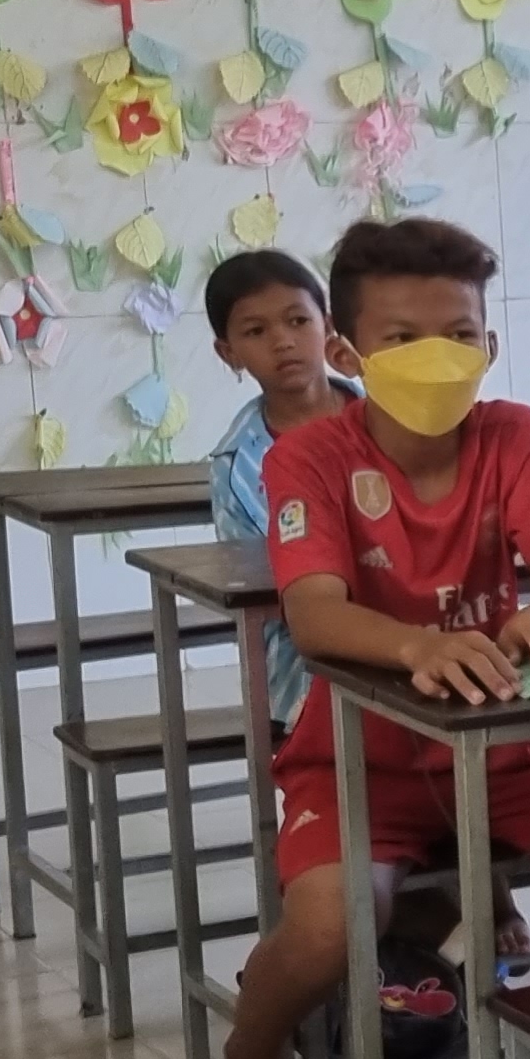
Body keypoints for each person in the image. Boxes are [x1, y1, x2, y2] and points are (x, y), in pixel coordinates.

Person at [221, 218, 530, 1059]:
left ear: (488, 344)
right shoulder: (313, 458)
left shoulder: (515, 435)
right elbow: (315, 612)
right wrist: (420, 643)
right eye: (403, 337)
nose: (434, 358)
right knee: (334, 929)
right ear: (348, 351)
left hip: (509, 749)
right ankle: (254, 1058)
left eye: (458, 333)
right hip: (360, 757)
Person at [203, 246, 355, 737]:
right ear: (228, 353)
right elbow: (263, 587)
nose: (283, 341)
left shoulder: (391, 418)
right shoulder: (236, 466)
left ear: (328, 326)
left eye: (297, 321)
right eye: (255, 331)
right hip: (306, 662)